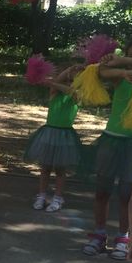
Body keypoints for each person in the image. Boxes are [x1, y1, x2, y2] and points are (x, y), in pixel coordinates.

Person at [83, 37, 132, 259]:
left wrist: (124, 60)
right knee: (102, 191)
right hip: (110, 141)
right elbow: (100, 70)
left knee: (127, 195)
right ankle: (99, 233)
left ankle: (124, 237)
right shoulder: (121, 78)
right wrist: (122, 71)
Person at [24, 64, 84, 212]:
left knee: (60, 169)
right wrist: (68, 70)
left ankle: (57, 198)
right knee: (45, 167)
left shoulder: (78, 94)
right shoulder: (54, 92)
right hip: (49, 134)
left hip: (65, 136)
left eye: (75, 78)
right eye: (68, 78)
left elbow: (71, 91)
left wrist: (54, 83)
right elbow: (57, 82)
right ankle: (42, 195)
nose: (70, 81)